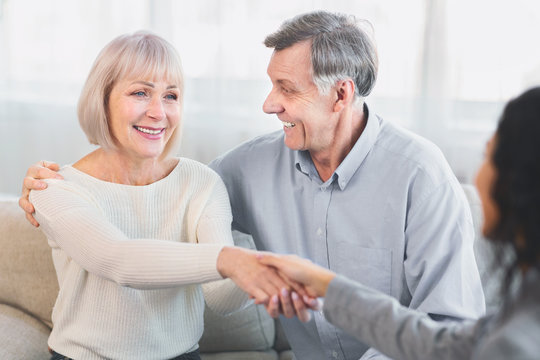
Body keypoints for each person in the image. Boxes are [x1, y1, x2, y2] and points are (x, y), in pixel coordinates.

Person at [19, 11, 485, 360]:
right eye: (140, 92)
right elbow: (140, 233)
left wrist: (244, 268)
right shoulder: (243, 169)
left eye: (287, 89)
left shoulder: (420, 175)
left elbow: (452, 325)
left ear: (341, 94)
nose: (268, 104)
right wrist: (242, 265)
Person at [25, 31, 303, 360]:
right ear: (102, 99)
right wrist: (229, 259)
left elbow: (220, 298)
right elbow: (119, 260)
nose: (159, 112)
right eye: (141, 92)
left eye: (171, 96)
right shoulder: (54, 187)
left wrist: (265, 266)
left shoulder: (201, 182)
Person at [258, 87, 540, 359]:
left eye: (487, 156)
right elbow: (435, 344)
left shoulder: (517, 343)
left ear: (521, 183)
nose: (478, 176)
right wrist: (324, 284)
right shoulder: (522, 309)